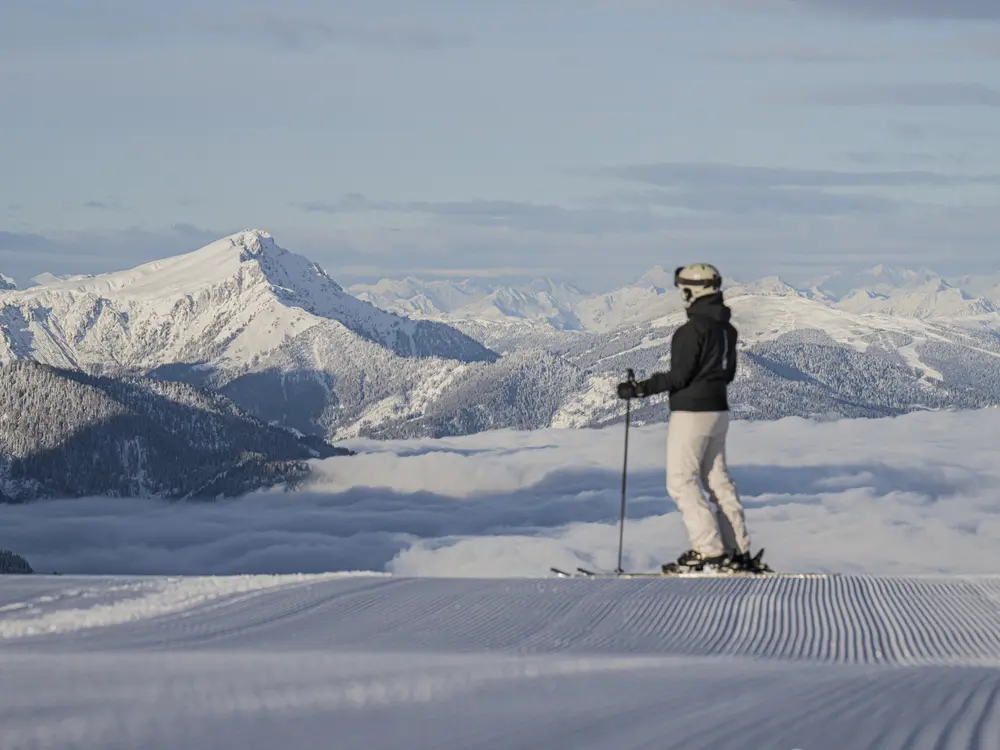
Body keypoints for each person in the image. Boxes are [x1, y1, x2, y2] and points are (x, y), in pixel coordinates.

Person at [616, 263, 767, 574]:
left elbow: (679, 376)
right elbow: (728, 374)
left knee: (681, 481)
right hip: (718, 411)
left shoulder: (691, 331)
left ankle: (709, 552)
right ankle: (737, 550)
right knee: (718, 481)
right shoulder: (727, 330)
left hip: (691, 413)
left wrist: (639, 389)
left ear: (690, 291)